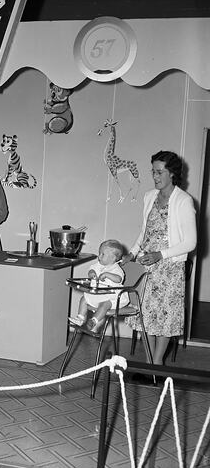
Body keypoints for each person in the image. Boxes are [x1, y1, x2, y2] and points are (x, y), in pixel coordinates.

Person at [124, 150, 197, 366]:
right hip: (147, 266)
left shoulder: (183, 201)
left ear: (172, 173)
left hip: (169, 268)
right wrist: (132, 252)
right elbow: (145, 231)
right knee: (145, 317)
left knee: (164, 319)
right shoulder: (149, 197)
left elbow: (190, 242)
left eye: (159, 172)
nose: (155, 177)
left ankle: (156, 366)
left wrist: (160, 255)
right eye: (153, 172)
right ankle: (149, 365)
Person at [68, 239, 128, 334]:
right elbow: (91, 270)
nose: (99, 256)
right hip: (98, 294)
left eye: (102, 254)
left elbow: (118, 279)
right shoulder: (98, 265)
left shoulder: (116, 269)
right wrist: (91, 273)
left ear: (113, 258)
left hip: (112, 297)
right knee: (83, 299)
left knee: (104, 305)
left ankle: (93, 321)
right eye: (99, 253)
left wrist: (108, 274)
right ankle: (80, 318)